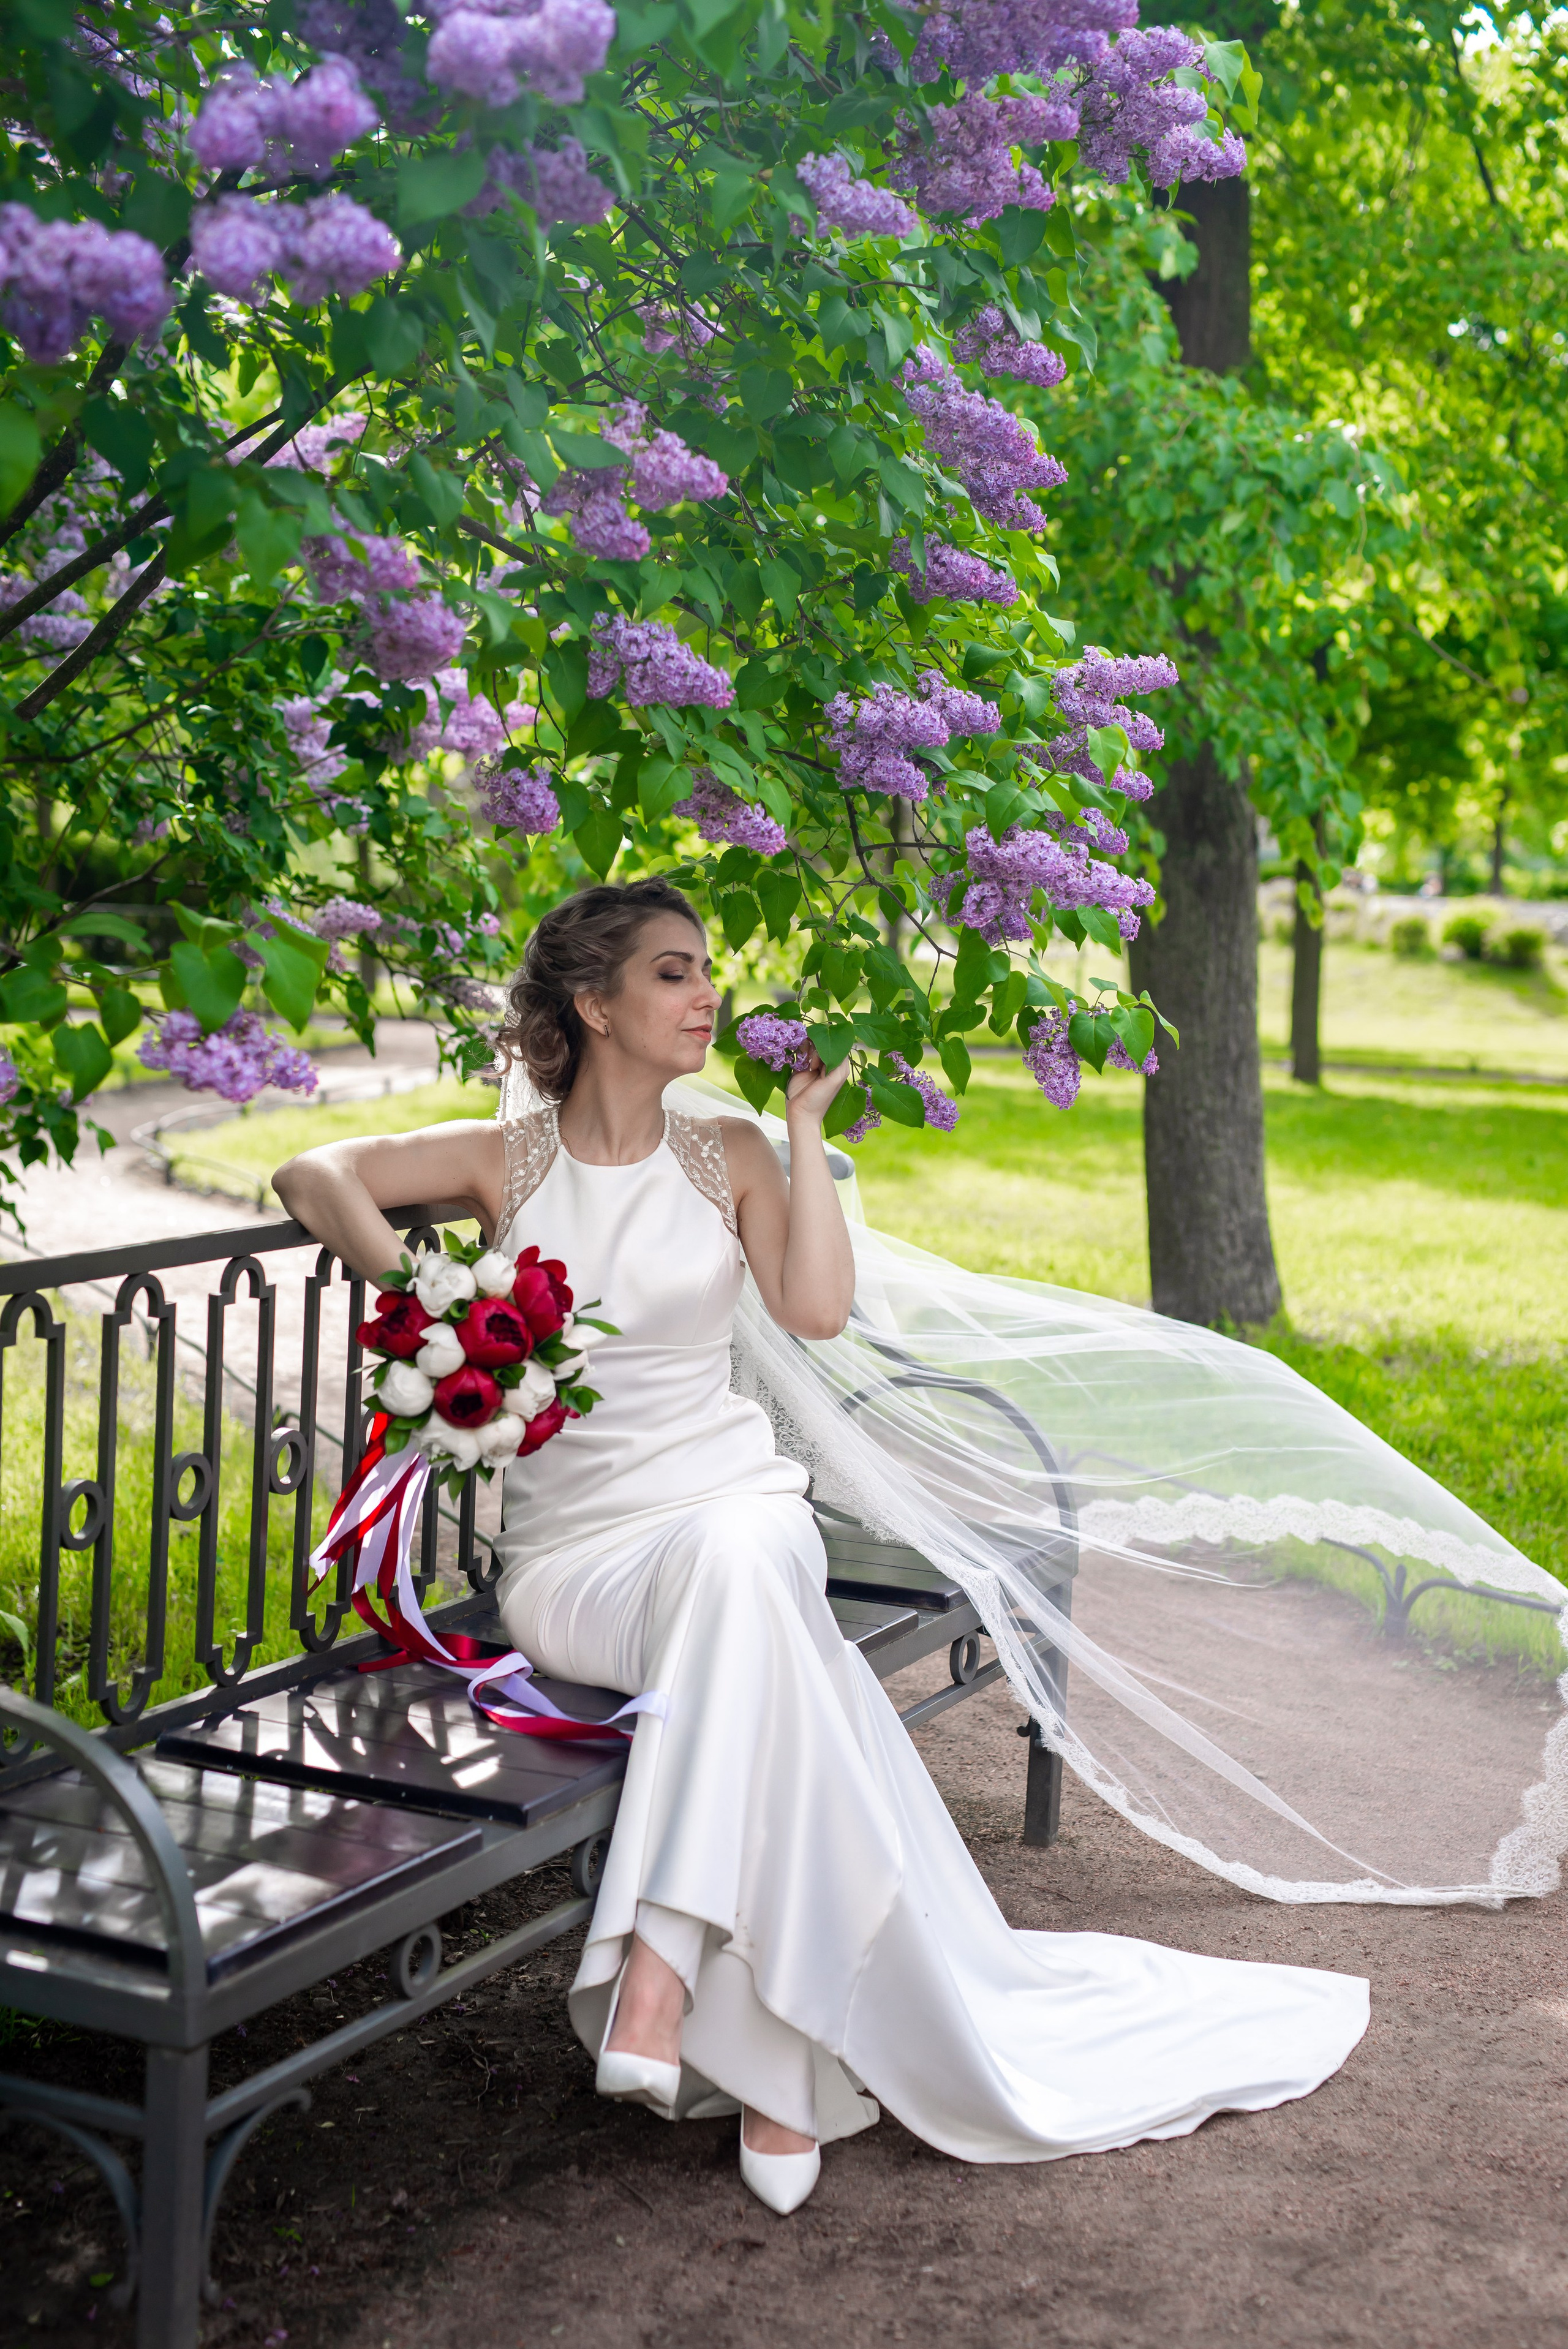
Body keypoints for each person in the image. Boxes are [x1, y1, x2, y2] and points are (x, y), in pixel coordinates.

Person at [276, 877, 1376, 2217]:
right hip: (578, 1571)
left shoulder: (724, 1148)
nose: (706, 997)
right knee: (772, 1661)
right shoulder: (504, 1160)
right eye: (674, 974)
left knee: (747, 1561)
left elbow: (812, 1309)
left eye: (705, 972)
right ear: (594, 1004)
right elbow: (311, 1171)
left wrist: (799, 1132)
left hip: (731, 1512)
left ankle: (668, 1976)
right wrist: (429, 1297)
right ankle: (770, 2065)